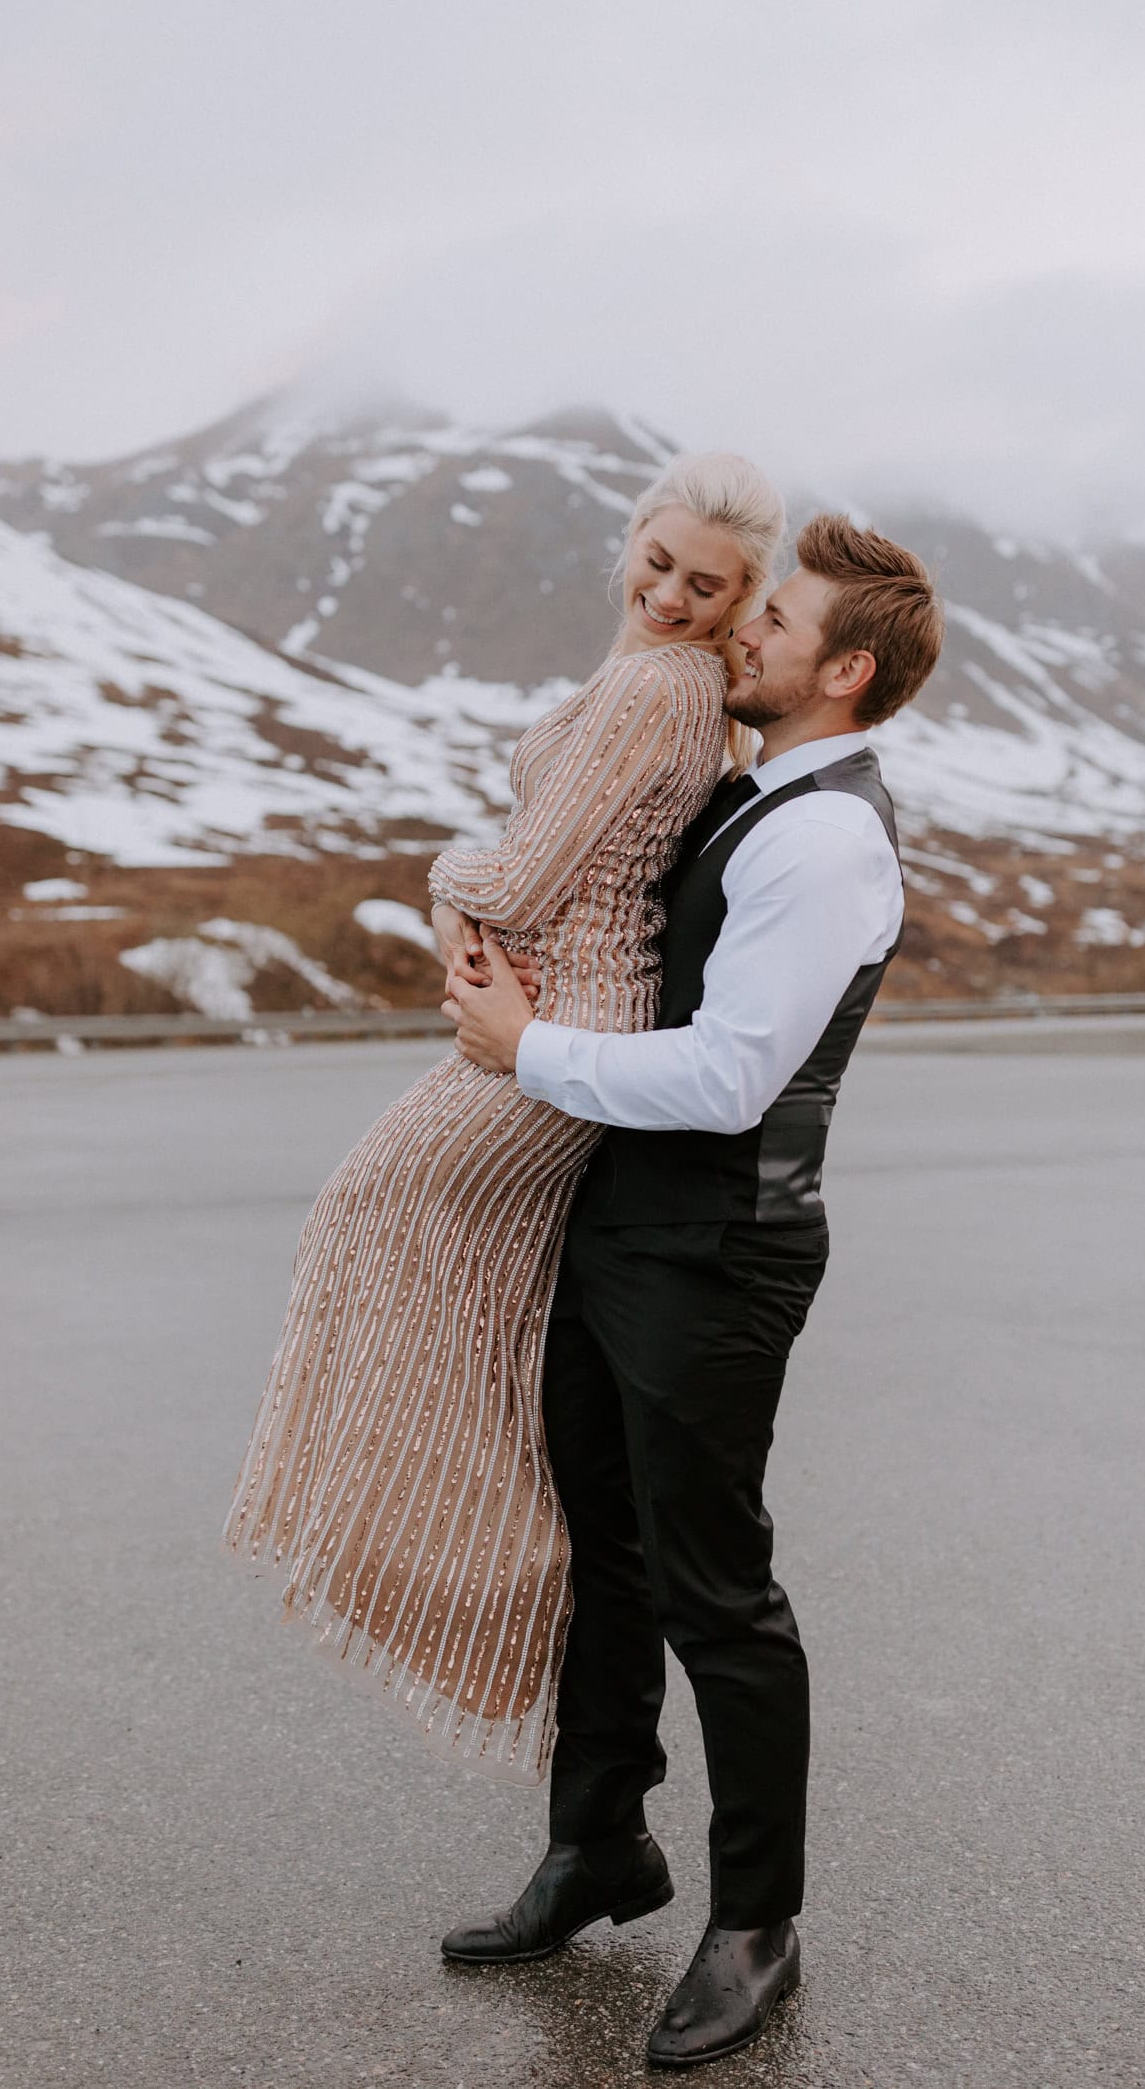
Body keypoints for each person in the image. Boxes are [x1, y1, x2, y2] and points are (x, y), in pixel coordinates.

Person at [442, 514, 945, 2069]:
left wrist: (526, 1051)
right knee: (608, 1547)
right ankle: (600, 1845)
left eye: (775, 618)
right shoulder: (754, 792)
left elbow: (732, 1075)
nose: (744, 632)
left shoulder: (822, 837)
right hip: (624, 1228)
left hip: (718, 1251)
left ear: (841, 669)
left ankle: (755, 1927)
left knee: (719, 1588)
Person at [223, 452, 786, 1780]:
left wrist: (445, 885)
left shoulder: (659, 686)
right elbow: (540, 875)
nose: (670, 595)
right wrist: (466, 928)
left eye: (707, 585)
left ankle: (491, 1568)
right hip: (557, 1009)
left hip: (564, 1025)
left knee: (369, 1214)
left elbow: (529, 869)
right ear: (632, 541)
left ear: (741, 593)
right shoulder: (656, 676)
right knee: (496, 1312)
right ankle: (511, 1567)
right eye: (659, 563)